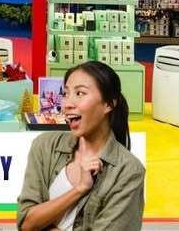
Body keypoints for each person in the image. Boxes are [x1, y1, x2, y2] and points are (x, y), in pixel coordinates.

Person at [17, 61, 144, 231]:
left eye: (80, 93)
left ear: (108, 104)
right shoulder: (45, 145)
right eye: (66, 93)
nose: (68, 103)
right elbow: (26, 222)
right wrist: (79, 189)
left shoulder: (128, 171)